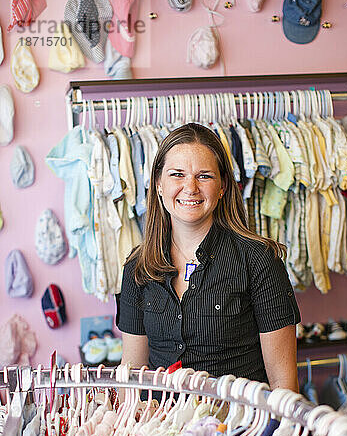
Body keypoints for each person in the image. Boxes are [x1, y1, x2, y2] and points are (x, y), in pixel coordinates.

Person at [116, 122, 300, 391]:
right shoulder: (137, 269)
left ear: (223, 186)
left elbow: (284, 385)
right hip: (164, 428)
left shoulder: (259, 261)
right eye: (177, 174)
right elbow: (131, 378)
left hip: (241, 429)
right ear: (158, 184)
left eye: (204, 176)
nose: (190, 187)